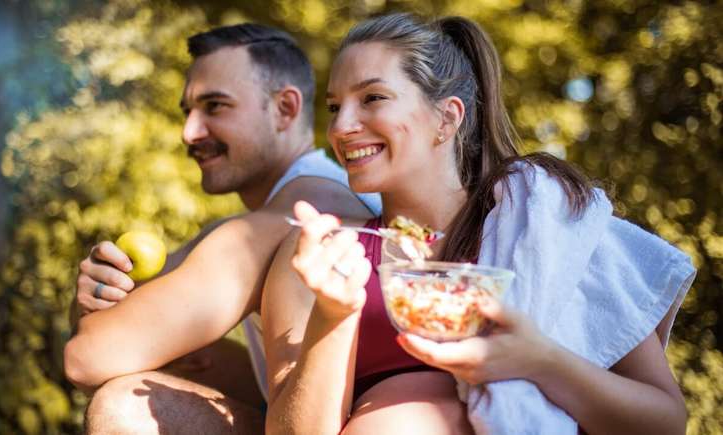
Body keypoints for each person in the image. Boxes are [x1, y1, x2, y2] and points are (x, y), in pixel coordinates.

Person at [262, 13, 689, 434]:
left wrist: (539, 359)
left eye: (372, 98)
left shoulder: (543, 231)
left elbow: (664, 421)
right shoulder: (321, 259)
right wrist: (335, 314)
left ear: (447, 118)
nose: (340, 126)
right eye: (335, 106)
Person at [64, 23, 381, 434]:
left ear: (285, 108)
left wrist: (114, 329)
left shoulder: (280, 223)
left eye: (215, 106)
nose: (189, 132)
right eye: (188, 112)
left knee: (125, 404)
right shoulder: (314, 195)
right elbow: (106, 318)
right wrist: (95, 290)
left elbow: (85, 357)